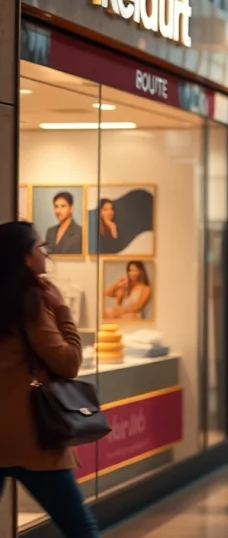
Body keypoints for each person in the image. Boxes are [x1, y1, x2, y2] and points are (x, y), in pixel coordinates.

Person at [0, 221, 100, 538]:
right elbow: (68, 362)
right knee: (80, 528)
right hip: (32, 435)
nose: (45, 253)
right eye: (39, 247)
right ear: (25, 258)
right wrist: (62, 311)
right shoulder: (31, 303)